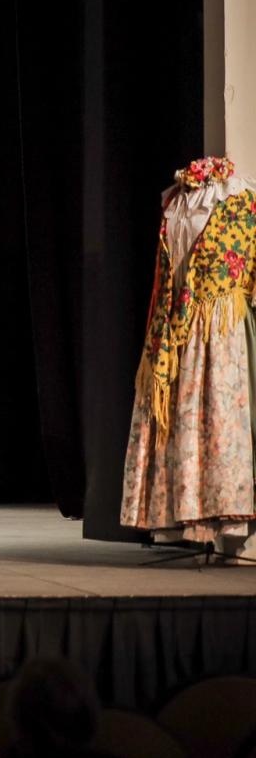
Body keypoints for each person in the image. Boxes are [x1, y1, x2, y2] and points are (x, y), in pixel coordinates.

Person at [121, 156, 256, 544]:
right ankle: (174, 517)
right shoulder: (176, 201)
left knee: (216, 418)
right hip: (172, 325)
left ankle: (222, 517)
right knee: (169, 422)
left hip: (218, 325)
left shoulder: (239, 199)